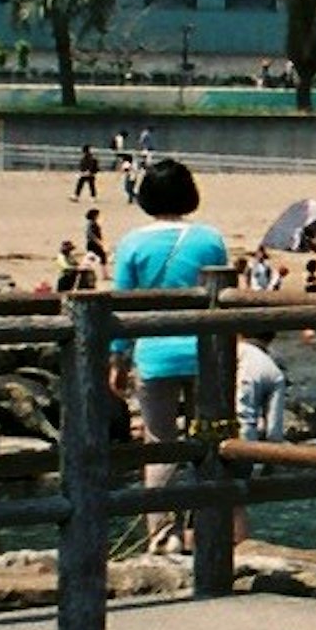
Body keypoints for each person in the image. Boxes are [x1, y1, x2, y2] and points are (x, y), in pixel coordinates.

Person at [106, 160, 233, 558]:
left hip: (154, 353)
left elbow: (122, 308)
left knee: (160, 441)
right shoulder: (210, 240)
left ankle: (162, 536)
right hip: (205, 355)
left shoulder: (132, 243)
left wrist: (117, 360)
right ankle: (206, 527)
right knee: (209, 438)